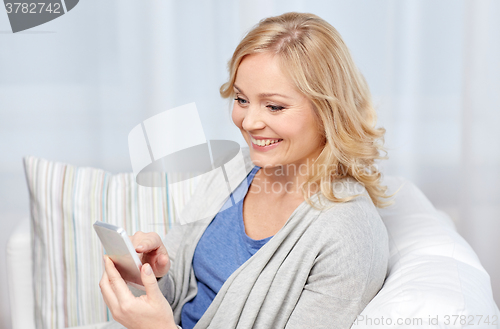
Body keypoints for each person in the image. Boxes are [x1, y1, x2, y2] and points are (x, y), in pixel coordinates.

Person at [99, 11, 393, 329]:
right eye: (241, 99)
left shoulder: (348, 235)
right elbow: (183, 300)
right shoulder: (236, 167)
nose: (249, 122)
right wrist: (157, 275)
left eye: (274, 106)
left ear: (328, 111)